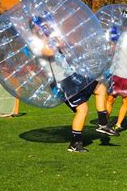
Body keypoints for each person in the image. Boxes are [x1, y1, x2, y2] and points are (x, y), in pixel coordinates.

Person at [28, 16, 119, 153]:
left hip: (72, 76)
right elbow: (49, 52)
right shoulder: (34, 43)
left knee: (100, 87)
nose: (44, 29)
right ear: (34, 29)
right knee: (82, 109)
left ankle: (102, 124)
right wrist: (48, 39)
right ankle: (75, 144)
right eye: (41, 26)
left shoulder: (50, 39)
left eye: (45, 26)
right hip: (61, 83)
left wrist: (57, 38)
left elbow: (64, 47)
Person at [105, 31, 127, 132]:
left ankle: (118, 124)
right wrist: (112, 46)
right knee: (110, 98)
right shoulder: (117, 32)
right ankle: (104, 123)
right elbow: (110, 51)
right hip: (116, 71)